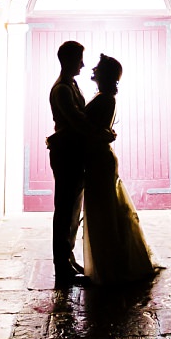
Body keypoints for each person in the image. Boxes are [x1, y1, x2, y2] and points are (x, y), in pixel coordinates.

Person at [80, 54, 158, 287]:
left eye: (99, 67)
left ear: (105, 74)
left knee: (104, 211)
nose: (93, 68)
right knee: (104, 209)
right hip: (98, 157)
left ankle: (111, 266)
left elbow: (91, 130)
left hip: (99, 159)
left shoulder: (105, 100)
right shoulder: (104, 98)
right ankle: (108, 263)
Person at [45, 40, 114, 285]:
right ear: (68, 60)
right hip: (65, 153)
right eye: (79, 59)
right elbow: (76, 120)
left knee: (73, 208)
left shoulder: (71, 84)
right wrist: (101, 133)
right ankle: (61, 265)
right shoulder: (61, 89)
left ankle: (68, 258)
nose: (83, 64)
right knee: (64, 208)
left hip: (73, 151)